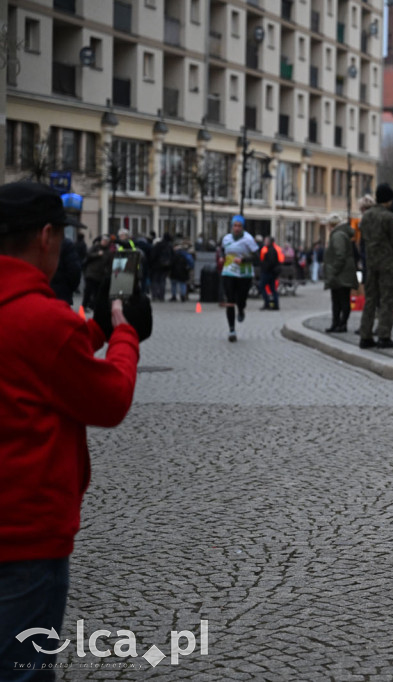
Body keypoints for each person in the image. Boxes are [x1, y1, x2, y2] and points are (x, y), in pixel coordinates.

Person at [0, 182, 141, 679]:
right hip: (24, 534)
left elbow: (40, 365)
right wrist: (124, 334)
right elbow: (109, 399)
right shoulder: (43, 320)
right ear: (46, 236)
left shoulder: (36, 319)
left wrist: (94, 329)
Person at [357, 183, 393, 349]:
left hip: (370, 263)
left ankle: (365, 335)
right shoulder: (388, 217)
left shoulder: (367, 216)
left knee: (370, 299)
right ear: (389, 200)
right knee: (387, 300)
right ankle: (384, 336)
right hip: (387, 264)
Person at [220, 215, 260, 342]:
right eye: (235, 225)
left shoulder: (248, 239)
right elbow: (222, 250)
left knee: (241, 299)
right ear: (232, 226)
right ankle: (232, 330)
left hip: (244, 273)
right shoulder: (226, 238)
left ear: (243, 227)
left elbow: (257, 257)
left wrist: (243, 260)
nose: (236, 228)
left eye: (239, 226)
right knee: (230, 300)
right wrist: (222, 257)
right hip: (228, 272)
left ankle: (241, 309)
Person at [323, 213, 358, 333]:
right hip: (343, 274)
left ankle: (340, 324)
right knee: (341, 300)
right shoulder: (341, 234)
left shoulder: (337, 235)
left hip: (340, 274)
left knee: (340, 300)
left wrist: (333, 270)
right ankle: (338, 323)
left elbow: (340, 255)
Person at [81, 234, 111, 311]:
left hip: (100, 275)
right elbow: (88, 254)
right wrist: (97, 254)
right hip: (91, 273)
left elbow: (109, 263)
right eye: (103, 241)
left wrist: (108, 272)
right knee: (88, 291)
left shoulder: (108, 251)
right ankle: (84, 306)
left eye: (106, 241)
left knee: (97, 293)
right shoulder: (95, 247)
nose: (104, 242)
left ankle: (94, 306)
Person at [259, 235, 284, 311]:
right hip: (272, 273)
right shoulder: (274, 249)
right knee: (273, 289)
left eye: (266, 241)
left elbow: (270, 263)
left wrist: (264, 267)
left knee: (262, 286)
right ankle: (275, 304)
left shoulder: (269, 251)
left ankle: (267, 303)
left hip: (268, 272)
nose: (264, 242)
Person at [150, 232, 174, 301]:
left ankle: (155, 295)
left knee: (155, 281)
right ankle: (161, 296)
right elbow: (173, 256)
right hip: (165, 266)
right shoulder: (169, 246)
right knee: (162, 281)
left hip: (156, 266)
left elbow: (153, 256)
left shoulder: (158, 245)